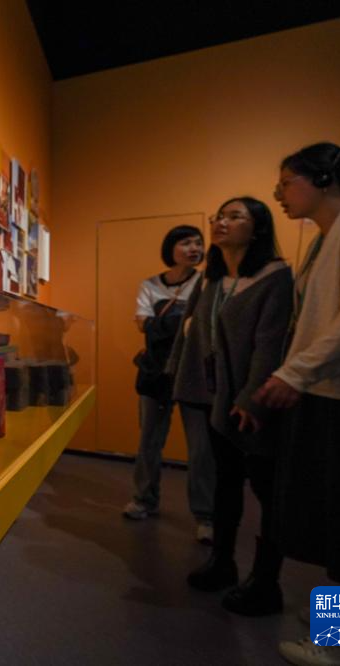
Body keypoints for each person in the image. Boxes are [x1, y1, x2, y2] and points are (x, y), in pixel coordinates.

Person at [255, 142, 340, 666]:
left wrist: (298, 371)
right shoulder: (329, 237)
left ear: (324, 179)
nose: (278, 193)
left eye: (287, 182)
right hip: (332, 394)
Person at [172, 197, 293, 616]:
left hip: (253, 401)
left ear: (258, 228)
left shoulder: (275, 276)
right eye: (219, 216)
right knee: (225, 482)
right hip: (216, 398)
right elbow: (194, 334)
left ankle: (266, 582)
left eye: (234, 216)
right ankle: (222, 562)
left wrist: (251, 396)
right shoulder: (214, 278)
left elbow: (270, 342)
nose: (221, 222)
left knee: (266, 489)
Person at [123, 226, 216, 545]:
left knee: (201, 448)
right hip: (156, 371)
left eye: (198, 243)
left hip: (194, 372)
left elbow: (203, 325)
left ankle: (205, 515)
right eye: (186, 242)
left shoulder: (208, 281)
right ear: (171, 248)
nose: (194, 248)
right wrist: (183, 321)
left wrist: (159, 324)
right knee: (149, 440)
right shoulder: (150, 284)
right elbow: (142, 325)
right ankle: (143, 499)